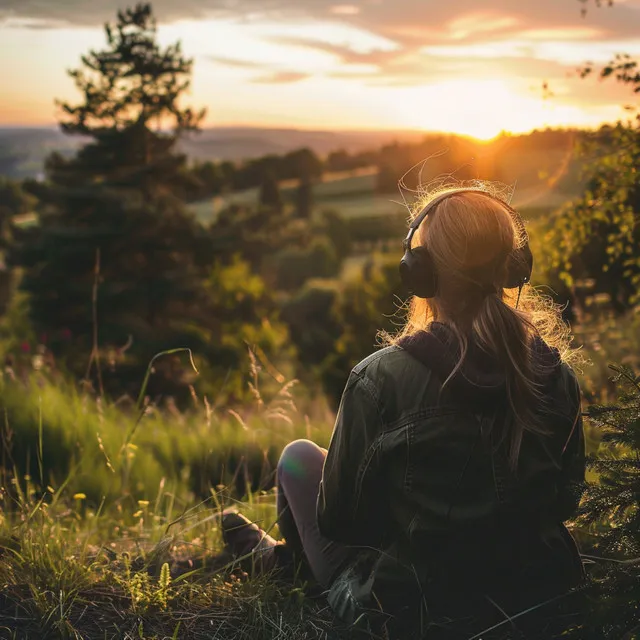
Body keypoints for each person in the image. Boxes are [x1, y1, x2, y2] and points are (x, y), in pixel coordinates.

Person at [222, 185, 586, 638]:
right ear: (515, 268)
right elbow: (567, 499)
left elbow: (340, 523)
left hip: (409, 613)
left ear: (420, 274)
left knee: (297, 458)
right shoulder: (556, 376)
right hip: (536, 602)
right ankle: (278, 559)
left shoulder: (380, 379)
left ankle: (283, 564)